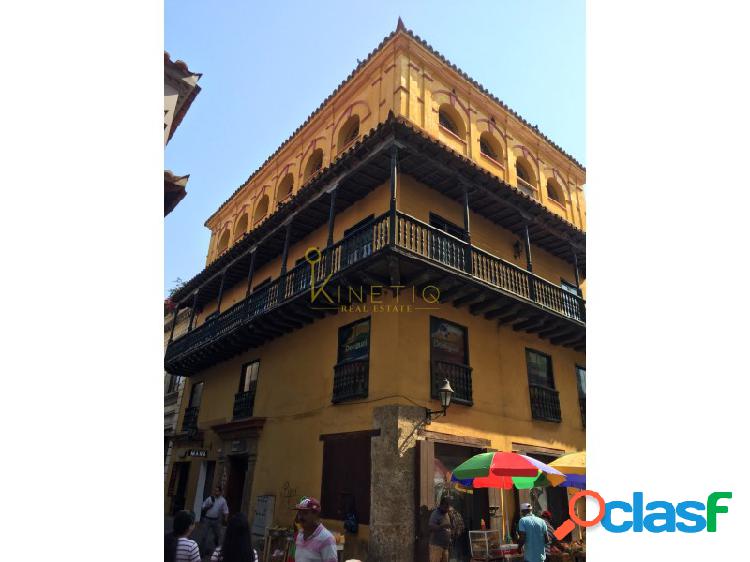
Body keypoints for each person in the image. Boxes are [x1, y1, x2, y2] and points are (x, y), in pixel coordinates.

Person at [292, 497, 338, 562]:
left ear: (316, 515)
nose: (300, 517)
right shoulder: (300, 535)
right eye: (299, 513)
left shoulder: (327, 539)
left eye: (305, 513)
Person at [202, 486, 230, 555]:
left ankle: (217, 549)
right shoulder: (210, 498)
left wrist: (226, 519)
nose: (216, 492)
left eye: (217, 491)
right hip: (207, 519)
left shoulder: (223, 500)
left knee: (217, 536)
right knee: (204, 536)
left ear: (220, 492)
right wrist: (208, 506)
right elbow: (203, 507)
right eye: (215, 491)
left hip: (216, 521)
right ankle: (202, 552)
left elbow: (226, 511)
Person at [427, 496, 453, 562]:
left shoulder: (446, 513)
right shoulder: (435, 514)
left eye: (448, 507)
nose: (447, 509)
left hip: (445, 547)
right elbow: (430, 527)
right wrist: (441, 526)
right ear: (441, 505)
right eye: (445, 507)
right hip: (436, 546)